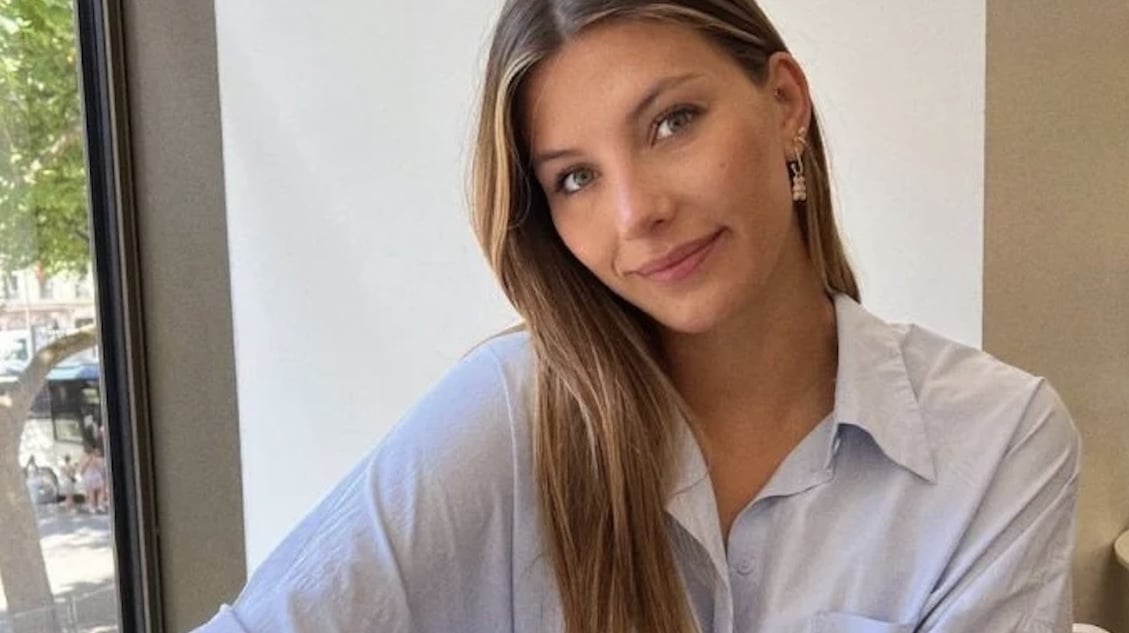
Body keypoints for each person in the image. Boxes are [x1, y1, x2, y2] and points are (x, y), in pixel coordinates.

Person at [194, 1, 1081, 631]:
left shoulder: (996, 442)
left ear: (784, 104)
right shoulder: (512, 412)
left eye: (671, 123)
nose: (636, 213)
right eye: (576, 177)